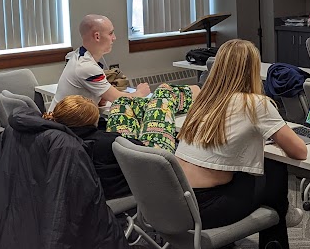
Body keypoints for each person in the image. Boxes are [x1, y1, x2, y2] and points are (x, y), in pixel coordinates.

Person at [176, 39, 310, 249]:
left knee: (267, 174)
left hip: (180, 202)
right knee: (275, 172)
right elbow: (300, 151)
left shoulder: (204, 100)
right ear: (253, 69)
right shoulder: (256, 104)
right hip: (209, 209)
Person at [44, 85, 198, 200]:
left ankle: (154, 105)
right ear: (91, 121)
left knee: (122, 101)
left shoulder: (61, 136)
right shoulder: (107, 143)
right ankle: (202, 98)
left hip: (125, 158)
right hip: (151, 163)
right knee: (165, 92)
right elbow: (139, 149)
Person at [49, 14, 151, 113]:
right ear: (97, 36)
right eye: (111, 33)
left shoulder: (76, 55)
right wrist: (140, 92)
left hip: (64, 121)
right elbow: (119, 100)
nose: (114, 38)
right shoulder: (87, 67)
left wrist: (98, 96)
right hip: (68, 126)